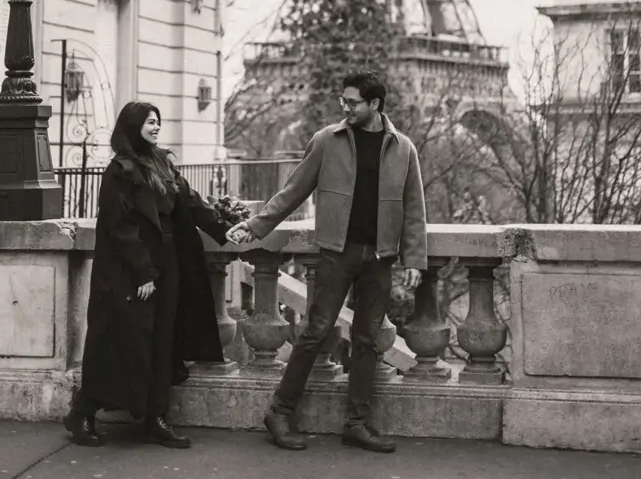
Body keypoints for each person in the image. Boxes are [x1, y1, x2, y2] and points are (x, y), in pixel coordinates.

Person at [228, 70, 426, 455]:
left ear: (375, 105)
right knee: (315, 333)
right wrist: (255, 225)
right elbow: (293, 190)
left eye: (352, 103)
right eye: (343, 101)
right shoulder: (326, 141)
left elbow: (414, 209)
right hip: (336, 253)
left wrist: (414, 257)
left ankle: (356, 423)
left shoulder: (404, 149)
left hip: (380, 258)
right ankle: (280, 413)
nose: (345, 108)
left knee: (368, 341)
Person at [65, 101, 234, 449]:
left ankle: (156, 418)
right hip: (131, 270)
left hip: (168, 264)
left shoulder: (162, 163)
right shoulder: (119, 171)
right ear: (132, 126)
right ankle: (82, 413)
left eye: (158, 121)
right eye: (149, 122)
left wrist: (226, 229)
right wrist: (143, 273)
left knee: (163, 341)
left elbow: (189, 201)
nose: (157, 127)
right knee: (120, 342)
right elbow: (119, 226)